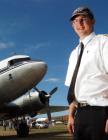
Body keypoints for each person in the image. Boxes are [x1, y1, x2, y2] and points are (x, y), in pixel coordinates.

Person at [65, 6, 108, 140]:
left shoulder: (104, 42)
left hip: (101, 112)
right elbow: (74, 88)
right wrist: (71, 116)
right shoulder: (73, 54)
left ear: (93, 21)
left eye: (83, 19)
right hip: (80, 115)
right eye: (75, 21)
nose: (79, 23)